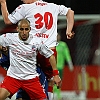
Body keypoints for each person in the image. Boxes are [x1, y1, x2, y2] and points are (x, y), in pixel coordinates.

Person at [0, 0, 74, 99]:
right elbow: (70, 12)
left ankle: (21, 95)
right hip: (49, 50)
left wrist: (3, 3)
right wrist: (68, 30)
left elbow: (7, 20)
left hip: (31, 50)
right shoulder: (53, 6)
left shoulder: (25, 7)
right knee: (50, 81)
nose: (22, 0)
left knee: (22, 72)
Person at [0, 19, 61, 100]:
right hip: (13, 78)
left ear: (30, 29)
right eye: (21, 29)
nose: (24, 32)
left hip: (31, 79)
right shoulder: (9, 38)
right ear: (17, 29)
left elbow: (51, 56)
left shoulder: (36, 41)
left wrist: (56, 74)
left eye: (26, 29)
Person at [53, 33, 74, 100]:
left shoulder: (63, 45)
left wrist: (70, 63)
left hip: (60, 67)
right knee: (52, 82)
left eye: (58, 35)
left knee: (59, 82)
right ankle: (54, 96)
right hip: (52, 67)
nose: (57, 37)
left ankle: (58, 96)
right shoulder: (51, 45)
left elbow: (67, 54)